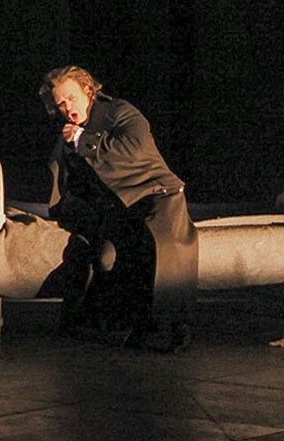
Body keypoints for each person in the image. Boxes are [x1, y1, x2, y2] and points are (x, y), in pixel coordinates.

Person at [42, 65, 196, 351]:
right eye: (60, 103)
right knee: (104, 257)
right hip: (119, 208)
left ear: (88, 91)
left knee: (163, 254)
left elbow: (134, 149)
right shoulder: (69, 134)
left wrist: (81, 141)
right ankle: (108, 324)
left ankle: (170, 330)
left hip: (156, 195)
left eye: (72, 98)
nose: (67, 107)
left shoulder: (119, 112)